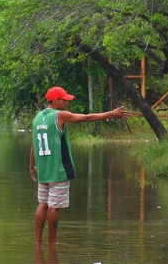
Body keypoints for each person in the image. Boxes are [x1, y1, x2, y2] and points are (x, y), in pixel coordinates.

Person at [30, 86, 132, 245]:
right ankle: (52, 243)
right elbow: (86, 118)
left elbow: (33, 144)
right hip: (58, 169)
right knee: (53, 207)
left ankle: (38, 242)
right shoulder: (59, 115)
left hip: (43, 170)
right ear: (56, 100)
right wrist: (111, 114)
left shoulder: (37, 118)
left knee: (42, 204)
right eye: (64, 100)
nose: (66, 103)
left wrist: (32, 167)